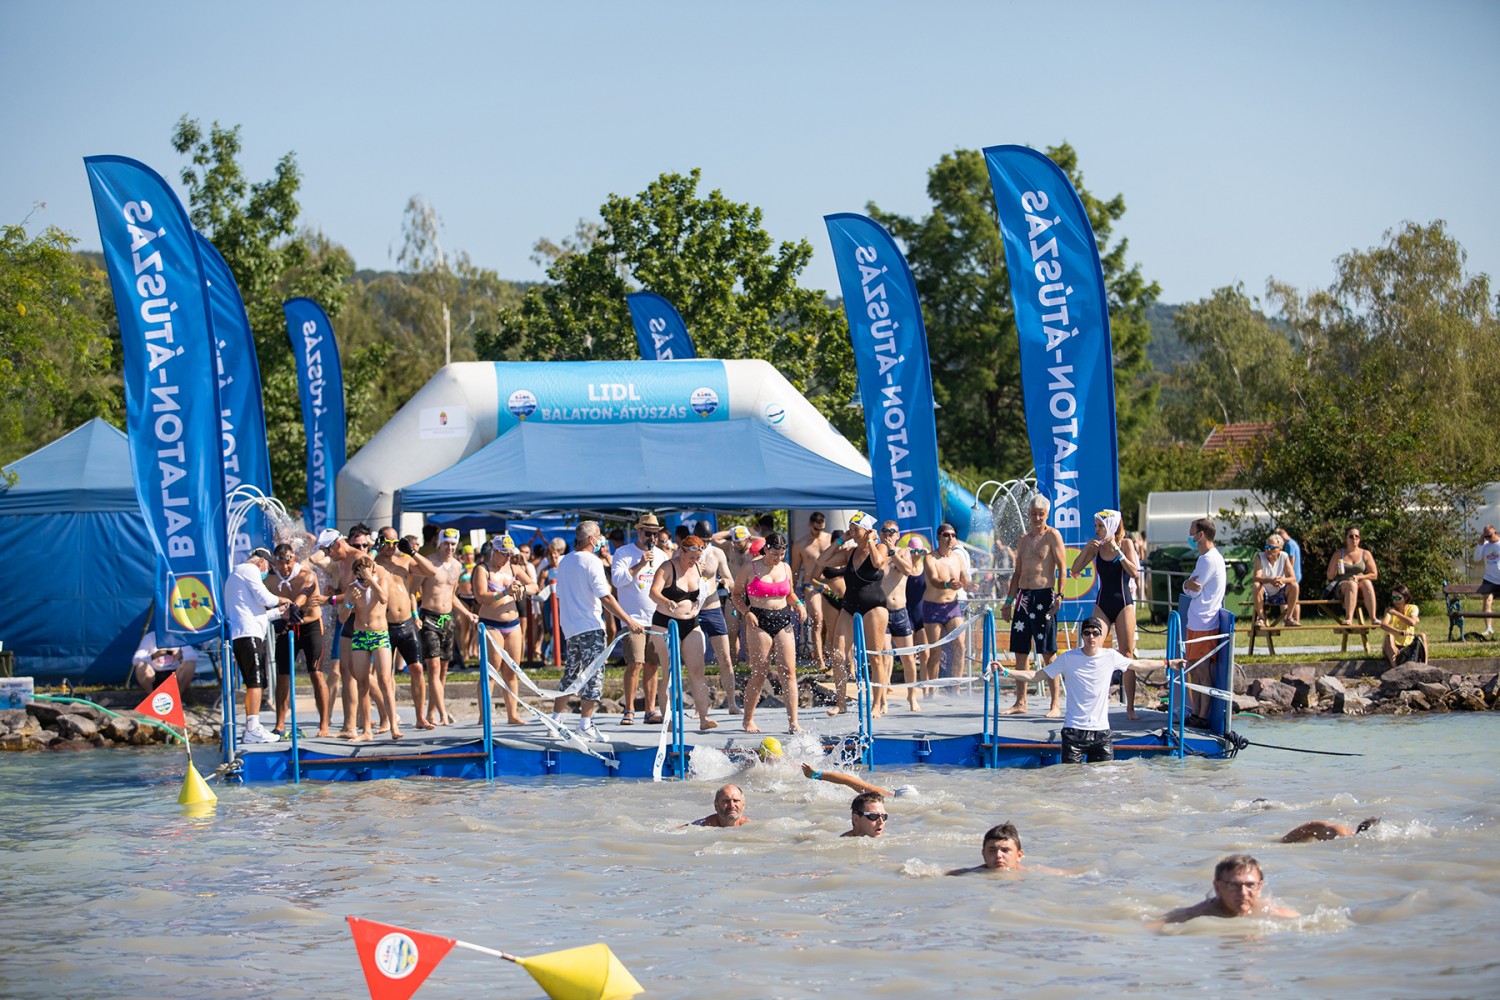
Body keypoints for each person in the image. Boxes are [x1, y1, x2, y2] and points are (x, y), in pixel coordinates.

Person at [1006, 616, 1185, 763]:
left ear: (1100, 636)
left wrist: (1168, 663)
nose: (1091, 637)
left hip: (1101, 734)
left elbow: (1137, 664)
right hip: (1073, 732)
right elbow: (1036, 677)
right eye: (1087, 633)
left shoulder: (1110, 656)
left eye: (1095, 633)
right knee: (1070, 784)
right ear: (1082, 636)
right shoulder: (1068, 658)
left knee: (1103, 786)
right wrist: (1005, 671)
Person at [552, 520, 642, 741]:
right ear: (591, 539)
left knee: (571, 674)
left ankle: (554, 720)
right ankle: (585, 724)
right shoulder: (592, 561)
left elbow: (560, 595)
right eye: (599, 535)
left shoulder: (564, 562)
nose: (602, 539)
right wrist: (628, 619)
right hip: (590, 626)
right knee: (594, 676)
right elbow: (606, 597)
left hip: (571, 627)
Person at [1070, 509, 1143, 718]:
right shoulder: (1096, 547)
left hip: (1123, 604)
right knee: (1092, 650)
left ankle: (1130, 707)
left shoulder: (1126, 544)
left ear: (1111, 526)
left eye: (1101, 526)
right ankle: (1093, 703)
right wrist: (1086, 551)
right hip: (1102, 603)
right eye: (1095, 526)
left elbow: (1134, 572)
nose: (1097, 530)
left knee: (1127, 655)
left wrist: (1118, 552)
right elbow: (1075, 569)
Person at [733, 531, 805, 734]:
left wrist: (799, 604)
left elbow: (789, 593)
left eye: (781, 554)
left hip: (782, 619)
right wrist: (746, 612)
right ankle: (748, 720)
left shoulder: (785, 568)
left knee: (789, 672)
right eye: (774, 554)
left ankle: (794, 723)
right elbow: (736, 594)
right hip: (758, 620)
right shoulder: (750, 568)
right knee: (759, 673)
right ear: (765, 549)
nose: (777, 558)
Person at [409, 528, 480, 726]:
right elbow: (412, 591)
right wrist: (415, 615)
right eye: (446, 543)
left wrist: (467, 613)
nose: (449, 548)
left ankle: (431, 712)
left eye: (453, 544)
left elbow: (452, 596)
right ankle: (442, 713)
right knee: (433, 667)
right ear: (440, 543)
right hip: (429, 618)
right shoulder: (429, 563)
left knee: (443, 670)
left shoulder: (457, 566)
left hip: (447, 619)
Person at [1003, 495, 1066, 716]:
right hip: (1023, 596)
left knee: (1048, 652)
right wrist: (1008, 601)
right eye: (1033, 513)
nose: (1037, 517)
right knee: (1020, 651)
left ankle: (1055, 703)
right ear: (1029, 514)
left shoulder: (1052, 536)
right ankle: (1021, 702)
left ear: (1047, 514)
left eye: (1041, 513)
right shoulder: (1024, 539)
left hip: (1044, 596)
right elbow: (1017, 572)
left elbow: (1062, 567)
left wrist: (1059, 595)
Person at [648, 534, 718, 731]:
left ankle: (704, 718)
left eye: (697, 558)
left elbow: (710, 576)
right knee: (670, 672)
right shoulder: (667, 567)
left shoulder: (698, 567)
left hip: (691, 623)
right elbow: (653, 592)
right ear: (681, 551)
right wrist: (665, 601)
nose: (694, 562)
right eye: (691, 558)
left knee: (697, 671)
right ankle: (668, 720)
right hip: (665, 623)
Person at [224, 547, 292, 744]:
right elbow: (265, 598)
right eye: (268, 569)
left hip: (246, 632)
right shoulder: (249, 569)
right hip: (248, 634)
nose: (266, 574)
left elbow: (256, 613)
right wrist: (284, 600)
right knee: (255, 682)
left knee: (257, 682)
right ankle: (252, 729)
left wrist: (280, 612)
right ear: (262, 561)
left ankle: (253, 726)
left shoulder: (237, 576)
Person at [269, 542, 331, 737]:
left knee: (316, 673)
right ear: (275, 563)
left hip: (311, 626)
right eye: (281, 564)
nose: (285, 568)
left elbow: (306, 592)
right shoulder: (270, 581)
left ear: (294, 559)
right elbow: (263, 603)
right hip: (287, 628)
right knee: (283, 676)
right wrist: (274, 619)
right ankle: (280, 723)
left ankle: (324, 724)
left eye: (288, 563)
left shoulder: (306, 574)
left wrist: (293, 606)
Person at [473, 534, 537, 725]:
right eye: (504, 554)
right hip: (492, 624)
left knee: (512, 671)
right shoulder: (483, 570)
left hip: (513, 624)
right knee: (492, 671)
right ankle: (485, 714)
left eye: (510, 554)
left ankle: (512, 714)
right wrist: (504, 592)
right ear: (494, 551)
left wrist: (522, 590)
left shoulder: (513, 568)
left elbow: (535, 586)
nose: (508, 557)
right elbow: (481, 597)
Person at [611, 514, 666, 725]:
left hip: (656, 618)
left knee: (652, 664)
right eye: (647, 533)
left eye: (655, 533)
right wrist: (639, 565)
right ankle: (629, 708)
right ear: (639, 532)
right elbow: (617, 580)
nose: (651, 537)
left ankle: (650, 710)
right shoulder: (624, 553)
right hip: (632, 619)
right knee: (635, 662)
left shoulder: (661, 555)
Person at [836, 512, 891, 716]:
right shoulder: (849, 552)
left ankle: (876, 704)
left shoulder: (881, 547)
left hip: (874, 606)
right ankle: (840, 702)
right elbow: (823, 560)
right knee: (838, 653)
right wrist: (841, 539)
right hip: (850, 605)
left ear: (866, 530)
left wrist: (870, 541)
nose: (852, 532)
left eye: (855, 529)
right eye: (850, 528)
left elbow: (877, 563)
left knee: (875, 658)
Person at [373, 527, 429, 730]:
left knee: (417, 668)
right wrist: (372, 550)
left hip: (406, 623)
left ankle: (420, 716)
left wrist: (412, 552)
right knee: (386, 676)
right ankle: (389, 717)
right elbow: (359, 571)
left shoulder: (404, 561)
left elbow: (431, 571)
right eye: (387, 543)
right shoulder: (374, 564)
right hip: (384, 625)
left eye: (395, 543)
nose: (391, 547)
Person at [343, 554, 402, 742]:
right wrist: (350, 602)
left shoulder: (381, 582)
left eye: (365, 576)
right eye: (360, 577)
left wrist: (371, 580)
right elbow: (342, 617)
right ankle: (366, 730)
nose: (363, 582)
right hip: (360, 635)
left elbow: (384, 599)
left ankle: (393, 724)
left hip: (380, 635)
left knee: (385, 680)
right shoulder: (353, 589)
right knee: (362, 684)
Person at [1161, 854, 1299, 923]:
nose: (1243, 893)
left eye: (1250, 885)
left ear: (1260, 887)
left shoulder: (1276, 913)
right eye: (1234, 885)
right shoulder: (1196, 915)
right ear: (1217, 887)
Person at [1182, 518, 1227, 723]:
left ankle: (1203, 715)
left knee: (1202, 669)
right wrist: (1187, 584)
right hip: (1197, 620)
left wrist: (1187, 585)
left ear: (1201, 535)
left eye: (1192, 533)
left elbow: (1192, 588)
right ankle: (1196, 712)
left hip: (1205, 621)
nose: (1190, 537)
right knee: (1193, 667)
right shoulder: (1206, 559)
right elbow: (1188, 586)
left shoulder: (1209, 559)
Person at [920, 521, 973, 697]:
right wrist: (947, 584)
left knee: (960, 647)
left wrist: (971, 586)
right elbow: (934, 580)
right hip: (933, 608)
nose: (950, 538)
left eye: (953, 535)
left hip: (953, 607)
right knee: (935, 652)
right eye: (946, 535)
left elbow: (964, 578)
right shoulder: (930, 558)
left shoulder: (957, 558)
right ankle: (931, 690)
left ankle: (955, 688)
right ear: (938, 537)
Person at [694, 522, 740, 714]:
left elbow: (729, 577)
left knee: (726, 659)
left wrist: (726, 583)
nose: (704, 545)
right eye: (701, 541)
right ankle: (700, 708)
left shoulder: (717, 554)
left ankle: (732, 703)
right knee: (696, 662)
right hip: (693, 610)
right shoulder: (685, 554)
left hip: (712, 608)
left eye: (707, 541)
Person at [879, 520, 923, 712]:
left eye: (892, 532)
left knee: (909, 658)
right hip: (881, 611)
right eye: (885, 531)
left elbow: (908, 570)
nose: (889, 534)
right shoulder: (877, 554)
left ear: (898, 535)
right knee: (884, 656)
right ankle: (882, 700)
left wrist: (892, 552)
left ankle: (912, 696)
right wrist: (886, 553)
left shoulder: (904, 552)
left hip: (901, 611)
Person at [791, 512, 833, 670]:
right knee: (817, 618)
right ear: (809, 525)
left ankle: (827, 653)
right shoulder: (801, 544)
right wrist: (792, 595)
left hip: (829, 583)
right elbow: (795, 571)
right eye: (816, 529)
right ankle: (819, 661)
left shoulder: (830, 539)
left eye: (821, 529)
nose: (818, 532)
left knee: (830, 623)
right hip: (811, 585)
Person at [946, 822, 1067, 875]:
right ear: (983, 854)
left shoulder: (1034, 872)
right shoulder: (969, 874)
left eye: (1005, 850)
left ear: (1019, 855)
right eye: (992, 850)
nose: (998, 855)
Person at [1325, 526, 1378, 626]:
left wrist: (1359, 578)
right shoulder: (1338, 553)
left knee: (1367, 583)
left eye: (1357, 536)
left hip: (1360, 583)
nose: (1354, 538)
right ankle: (1349, 618)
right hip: (1343, 584)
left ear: (1359, 539)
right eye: (1351, 536)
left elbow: (1374, 575)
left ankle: (1373, 618)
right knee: (1352, 585)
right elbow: (1330, 576)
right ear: (1346, 538)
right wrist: (1335, 568)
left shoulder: (1365, 553)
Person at [1252, 532, 1301, 628]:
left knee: (1295, 585)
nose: (1269, 550)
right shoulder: (1259, 557)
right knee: (1256, 585)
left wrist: (1281, 580)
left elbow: (1292, 578)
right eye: (1267, 547)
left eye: (1272, 548)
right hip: (1264, 592)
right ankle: (1262, 618)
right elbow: (1256, 577)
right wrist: (1270, 580)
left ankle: (1289, 618)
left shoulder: (1284, 556)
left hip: (1280, 591)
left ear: (1280, 549)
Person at [130, 631, 199, 695]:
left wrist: (180, 656)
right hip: (155, 674)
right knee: (141, 665)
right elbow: (136, 659)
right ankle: (152, 698)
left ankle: (177, 697)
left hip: (174, 674)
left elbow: (193, 656)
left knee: (190, 664)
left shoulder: (178, 636)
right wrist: (153, 656)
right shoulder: (150, 637)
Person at [1379, 584, 1426, 667]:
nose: (1395, 601)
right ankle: (1395, 669)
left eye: (1397, 598)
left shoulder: (1412, 608)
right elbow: (1383, 625)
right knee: (1389, 637)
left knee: (1422, 636)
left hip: (1408, 646)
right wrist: (1397, 632)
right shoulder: (1390, 611)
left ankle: (1425, 665)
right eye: (1393, 598)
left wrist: (1396, 614)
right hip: (1393, 646)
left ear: (1406, 598)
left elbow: (1412, 622)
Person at [1474, 524, 1500, 635]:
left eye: (1489, 536)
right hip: (1489, 578)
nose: (1488, 539)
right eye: (1486, 537)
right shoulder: (1484, 546)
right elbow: (1476, 559)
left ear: (1495, 532)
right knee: (1487, 602)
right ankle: (1489, 628)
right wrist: (1480, 544)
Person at [1281, 817, 1381, 842]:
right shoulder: (1341, 834)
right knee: (1281, 842)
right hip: (1309, 828)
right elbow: (1314, 825)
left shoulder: (1350, 833)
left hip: (1314, 829)